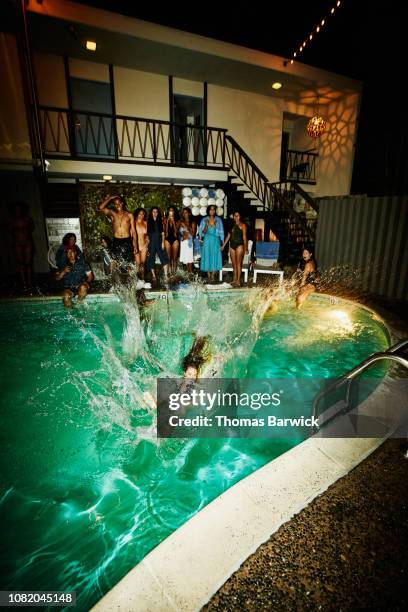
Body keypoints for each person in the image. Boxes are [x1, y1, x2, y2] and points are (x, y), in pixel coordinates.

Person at [99, 194, 138, 271]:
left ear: (122, 203)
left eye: (119, 203)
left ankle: (131, 281)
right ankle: (116, 281)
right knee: (116, 262)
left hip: (127, 241)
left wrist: (135, 245)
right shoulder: (112, 214)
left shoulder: (129, 215)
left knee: (128, 263)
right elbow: (101, 207)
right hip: (116, 241)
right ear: (114, 205)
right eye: (116, 203)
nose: (118, 205)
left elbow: (134, 231)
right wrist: (110, 198)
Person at [9, 202, 34, 291]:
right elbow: (10, 231)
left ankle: (30, 284)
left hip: (27, 242)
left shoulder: (27, 219)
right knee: (21, 264)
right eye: (16, 209)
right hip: (17, 243)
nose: (18, 210)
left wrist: (25, 229)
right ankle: (24, 284)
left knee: (28, 264)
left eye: (19, 209)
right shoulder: (12, 220)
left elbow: (31, 228)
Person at [198, 204, 224, 282]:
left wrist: (222, 243)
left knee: (215, 256)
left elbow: (221, 232)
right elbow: (202, 232)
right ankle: (209, 275)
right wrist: (206, 224)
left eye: (213, 209)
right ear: (208, 211)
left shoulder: (219, 220)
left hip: (216, 240)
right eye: (210, 209)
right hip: (207, 240)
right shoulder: (204, 219)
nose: (212, 211)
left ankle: (213, 275)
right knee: (207, 256)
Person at [221, 211, 248, 287]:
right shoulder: (231, 225)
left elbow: (244, 237)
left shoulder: (243, 225)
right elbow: (228, 235)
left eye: (237, 215)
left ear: (240, 217)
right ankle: (234, 279)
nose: (236, 217)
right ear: (233, 217)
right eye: (235, 216)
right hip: (232, 246)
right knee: (233, 264)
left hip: (240, 245)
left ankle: (238, 281)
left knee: (239, 264)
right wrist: (223, 245)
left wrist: (246, 248)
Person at [146, 207, 169, 283]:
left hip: (159, 241)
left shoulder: (160, 221)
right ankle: (154, 276)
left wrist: (163, 242)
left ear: (158, 213)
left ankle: (166, 276)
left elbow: (163, 233)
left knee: (164, 257)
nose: (155, 213)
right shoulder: (148, 221)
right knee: (151, 258)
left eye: (156, 212)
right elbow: (147, 234)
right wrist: (147, 242)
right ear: (151, 213)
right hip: (151, 242)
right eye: (153, 211)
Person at [179, 207, 196, 273]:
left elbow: (193, 235)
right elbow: (180, 233)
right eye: (183, 213)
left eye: (186, 212)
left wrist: (186, 227)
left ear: (189, 213)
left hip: (190, 242)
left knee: (190, 260)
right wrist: (182, 236)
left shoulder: (193, 222)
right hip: (183, 242)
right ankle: (187, 275)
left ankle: (190, 274)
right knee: (185, 260)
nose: (184, 214)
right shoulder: (181, 222)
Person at [164, 206, 180, 274]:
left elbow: (176, 233)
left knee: (174, 258)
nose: (171, 212)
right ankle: (170, 272)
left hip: (175, 239)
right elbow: (166, 233)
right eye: (170, 210)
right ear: (168, 212)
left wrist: (173, 222)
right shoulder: (165, 220)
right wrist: (167, 221)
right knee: (168, 257)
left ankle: (174, 272)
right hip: (167, 239)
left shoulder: (178, 220)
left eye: (172, 210)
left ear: (174, 212)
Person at [134, 208, 148, 279]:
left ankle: (142, 280)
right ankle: (136, 280)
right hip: (136, 245)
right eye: (140, 214)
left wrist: (147, 243)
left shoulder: (146, 223)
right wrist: (134, 246)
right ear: (137, 214)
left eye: (143, 214)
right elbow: (132, 235)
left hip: (144, 245)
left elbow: (148, 235)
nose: (141, 215)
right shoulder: (133, 222)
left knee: (143, 264)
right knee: (138, 264)